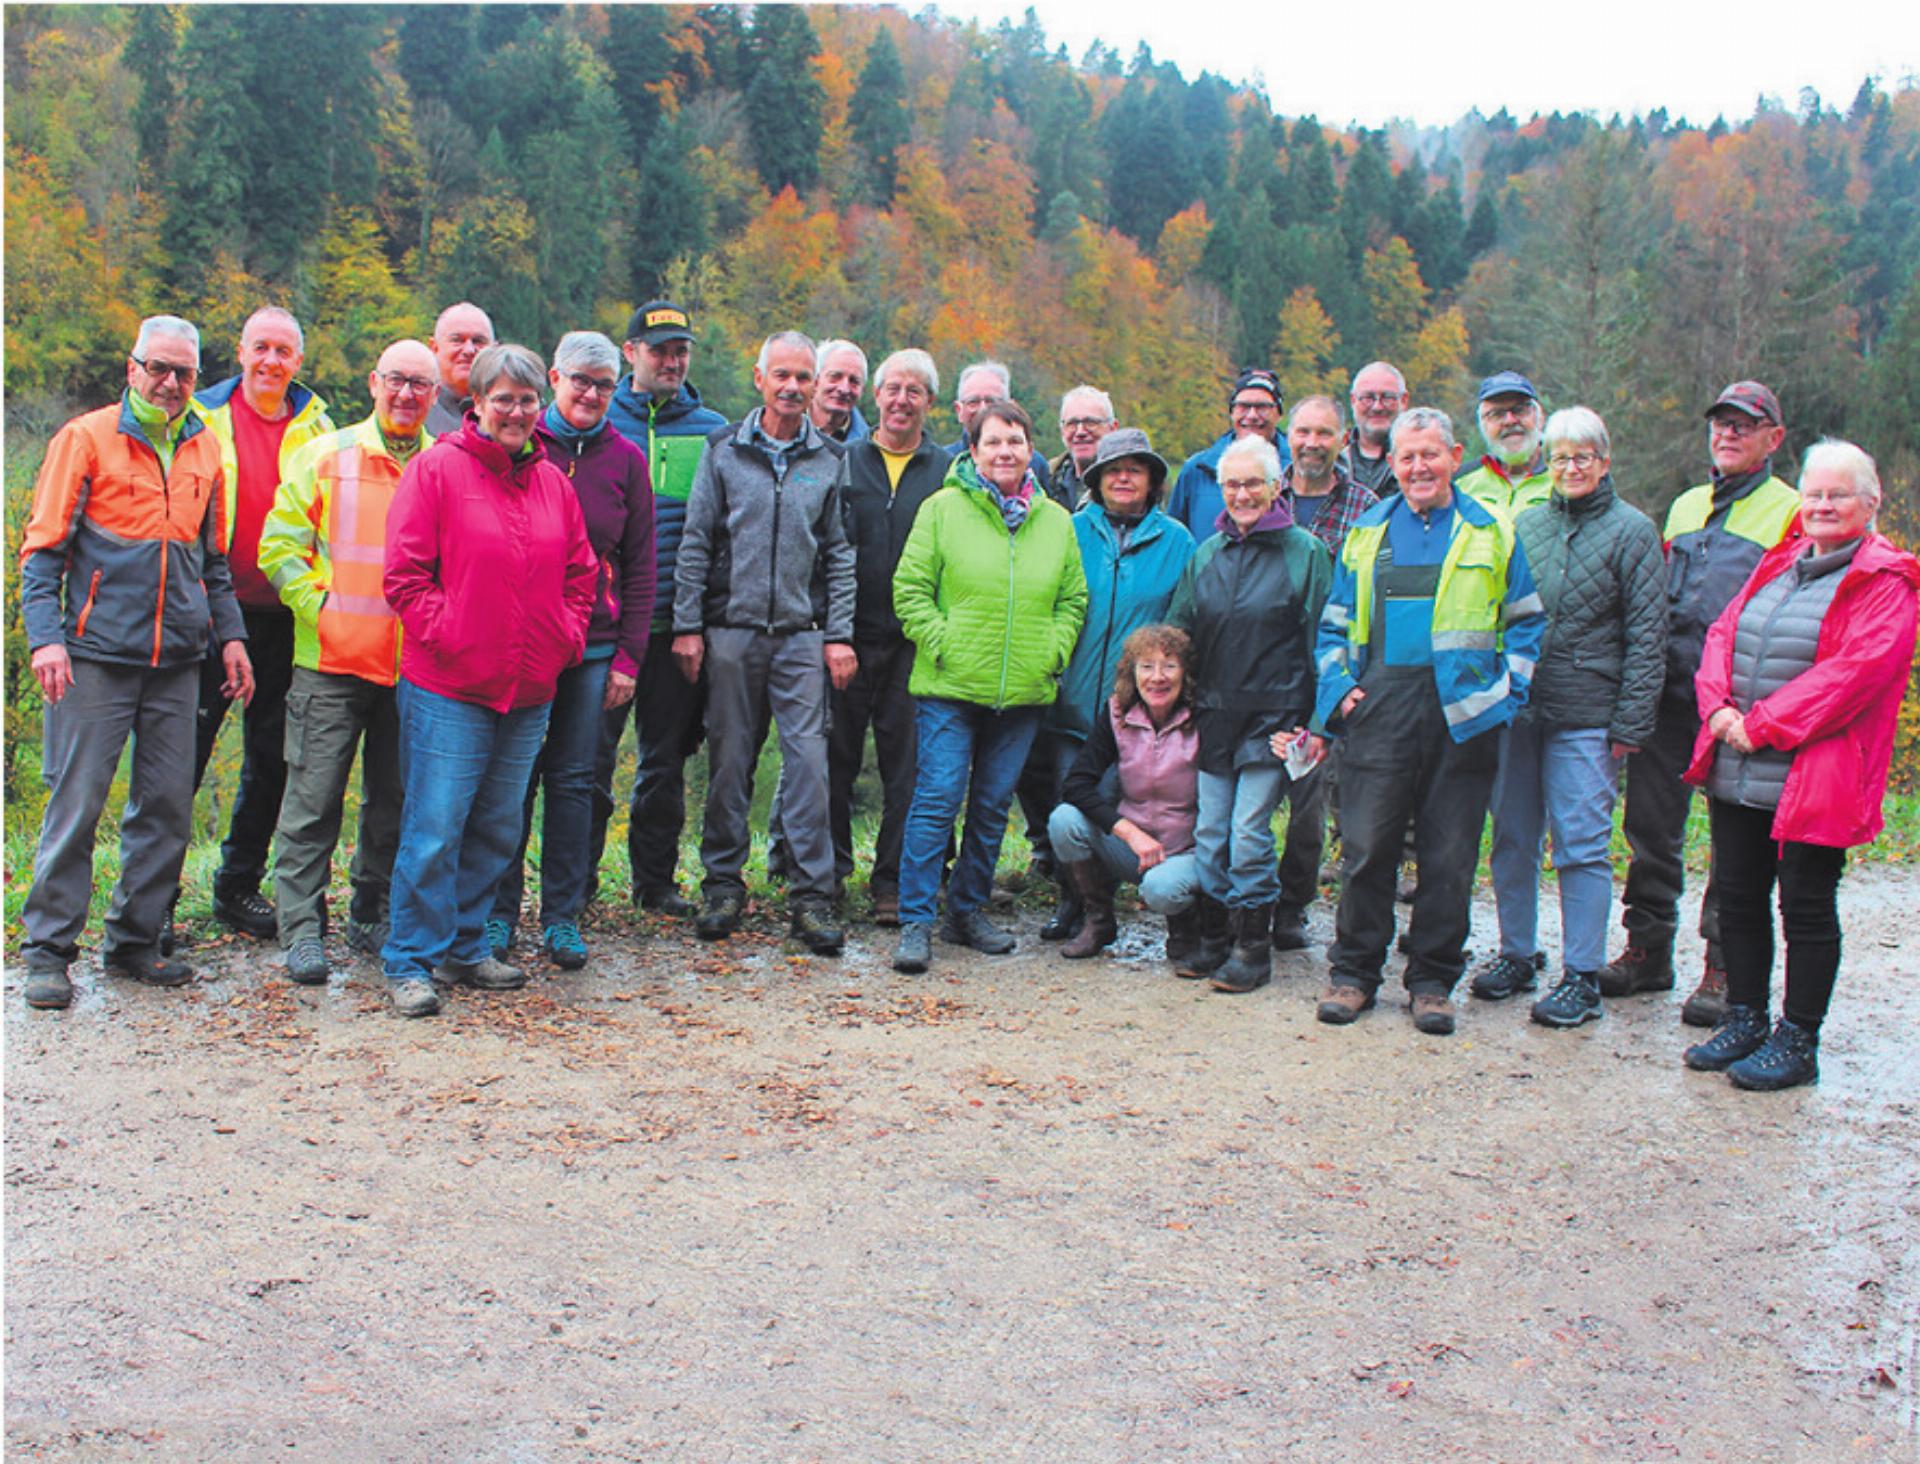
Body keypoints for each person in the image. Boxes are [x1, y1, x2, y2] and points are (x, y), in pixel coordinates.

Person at [18, 316, 254, 1010]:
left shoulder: (206, 448)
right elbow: (43, 552)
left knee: (165, 810)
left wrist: (231, 639)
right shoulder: (85, 438)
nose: (172, 382)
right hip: (94, 656)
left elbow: (213, 563)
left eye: (184, 372)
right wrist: (45, 639)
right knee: (77, 804)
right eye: (159, 368)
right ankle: (49, 952)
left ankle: (133, 942)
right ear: (133, 369)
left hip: (178, 661)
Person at [1680, 440, 1919, 1090]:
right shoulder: (1780, 565)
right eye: (1813, 493)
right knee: (1739, 898)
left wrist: (1759, 726)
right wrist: (1719, 711)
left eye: (1838, 494)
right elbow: (1722, 637)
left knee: (1806, 906)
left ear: (1870, 503)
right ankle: (1746, 1018)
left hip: (1815, 773)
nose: (1822, 505)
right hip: (1740, 764)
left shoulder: (1886, 582)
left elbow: (1855, 675)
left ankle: (1798, 1038)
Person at [1309, 407, 1545, 1036]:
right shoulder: (1365, 532)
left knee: (1449, 857)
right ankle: (1354, 974)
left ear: (1455, 456)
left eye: (1430, 455)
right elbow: (1332, 626)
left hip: (1462, 719)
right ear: (1392, 464)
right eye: (1407, 457)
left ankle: (1432, 981)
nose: (1418, 467)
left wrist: (1506, 697)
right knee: (1365, 851)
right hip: (1379, 710)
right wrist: (1339, 691)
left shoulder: (1492, 530)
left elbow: (1526, 623)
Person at [380, 344, 598, 1018]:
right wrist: (454, 637)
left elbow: (582, 576)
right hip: (449, 687)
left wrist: (564, 637)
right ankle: (410, 959)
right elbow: (405, 578)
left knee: (498, 830)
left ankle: (466, 945)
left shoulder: (554, 483)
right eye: (503, 398)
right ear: (474, 403)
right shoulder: (435, 470)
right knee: (435, 827)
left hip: (529, 690)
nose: (516, 411)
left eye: (527, 400)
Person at [1606, 381, 1802, 1026]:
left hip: (1740, 703)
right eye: (1721, 423)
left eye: (1745, 425)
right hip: (1670, 691)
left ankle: (1723, 965)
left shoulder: (1791, 510)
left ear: (1774, 438)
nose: (1729, 434)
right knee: (1650, 829)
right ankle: (1648, 949)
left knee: (1733, 840)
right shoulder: (1687, 504)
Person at [1472, 407, 1666, 1027]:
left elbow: (1648, 636)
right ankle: (1517, 952)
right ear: (1546, 464)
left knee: (1580, 845)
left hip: (1589, 712)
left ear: (1605, 462)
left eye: (1583, 456)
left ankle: (1581, 974)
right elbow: (1498, 613)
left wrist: (1632, 723)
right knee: (1512, 837)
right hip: (1521, 709)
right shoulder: (1525, 525)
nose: (1571, 467)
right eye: (1560, 457)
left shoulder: (1633, 532)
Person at [257, 339, 439, 985]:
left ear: (435, 395)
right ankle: (301, 931)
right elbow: (277, 547)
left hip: (413, 668)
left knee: (392, 802)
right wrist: (323, 608)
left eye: (420, 384)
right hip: (330, 663)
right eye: (396, 380)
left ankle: (372, 915)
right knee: (312, 803)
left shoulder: (443, 466)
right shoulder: (324, 455)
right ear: (373, 382)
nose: (406, 394)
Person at [671, 331, 855, 954]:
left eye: (804, 377)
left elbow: (840, 555)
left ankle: (811, 897)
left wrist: (839, 635)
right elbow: (696, 541)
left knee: (807, 767)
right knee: (729, 763)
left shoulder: (830, 458)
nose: (793, 388)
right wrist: (688, 625)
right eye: (782, 375)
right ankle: (722, 885)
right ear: (759, 378)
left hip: (802, 638)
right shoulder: (722, 449)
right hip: (731, 632)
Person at [891, 398, 1088, 973]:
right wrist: (945, 643)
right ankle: (915, 921)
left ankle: (966, 911)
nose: (1006, 451)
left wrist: (1051, 649)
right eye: (994, 441)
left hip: (1023, 693)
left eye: (1017, 440)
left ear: (1032, 449)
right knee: (937, 800)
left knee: (992, 807)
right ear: (973, 451)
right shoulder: (942, 509)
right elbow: (910, 591)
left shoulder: (1054, 520)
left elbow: (1072, 599)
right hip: (950, 687)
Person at [486, 333, 655, 969]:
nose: (589, 394)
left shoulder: (626, 460)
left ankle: (561, 914)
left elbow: (642, 567)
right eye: (580, 380)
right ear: (555, 378)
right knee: (512, 779)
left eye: (604, 385)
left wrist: (629, 659)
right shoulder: (525, 445)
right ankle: (498, 913)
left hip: (595, 648)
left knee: (575, 781)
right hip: (523, 641)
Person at [187, 307, 334, 942]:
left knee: (272, 759)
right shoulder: (202, 417)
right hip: (209, 612)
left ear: (299, 361)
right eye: (261, 349)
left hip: (286, 617)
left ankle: (238, 885)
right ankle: (154, 896)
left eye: (284, 352)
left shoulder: (319, 425)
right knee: (181, 758)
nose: (272, 362)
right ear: (240, 352)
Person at [1166, 434, 1331, 993]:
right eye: (1231, 484)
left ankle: (1253, 946)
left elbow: (1322, 639)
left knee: (1248, 829)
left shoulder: (1303, 552)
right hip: (1214, 712)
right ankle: (1216, 935)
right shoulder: (1206, 554)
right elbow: (1181, 629)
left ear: (1275, 485)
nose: (1241, 494)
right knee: (1211, 831)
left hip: (1276, 718)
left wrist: (1315, 723)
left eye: (1252, 483)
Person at [590, 300, 728, 914]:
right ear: (630, 354)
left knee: (664, 762)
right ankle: (576, 884)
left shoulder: (714, 431)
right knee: (586, 763)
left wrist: (698, 621)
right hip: (604, 626)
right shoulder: (595, 421)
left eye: (680, 351)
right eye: (658, 350)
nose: (671, 361)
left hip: (676, 624)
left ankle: (655, 883)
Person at [1040, 427, 1194, 947]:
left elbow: (1180, 627)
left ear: (1152, 479)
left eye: (1135, 468)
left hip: (1143, 711)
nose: (1123, 477)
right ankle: (1088, 912)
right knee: (1072, 811)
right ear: (1097, 479)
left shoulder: (1177, 541)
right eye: (1112, 469)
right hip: (1073, 705)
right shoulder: (1069, 530)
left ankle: (1180, 913)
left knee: (1154, 805)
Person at [831, 348, 951, 924]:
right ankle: (826, 876)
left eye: (915, 390)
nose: (902, 400)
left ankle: (894, 884)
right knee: (834, 760)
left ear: (930, 402)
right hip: (846, 638)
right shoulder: (843, 461)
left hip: (915, 644)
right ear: (876, 397)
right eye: (892, 388)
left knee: (909, 767)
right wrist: (833, 633)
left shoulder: (948, 469)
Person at [1269, 394, 1379, 950]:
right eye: (1303, 432)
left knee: (1310, 803)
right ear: (1288, 435)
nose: (1312, 443)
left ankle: (1293, 905)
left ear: (1343, 439)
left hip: (1331, 675)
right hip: (1267, 669)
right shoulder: (1268, 493)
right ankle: (1246, 899)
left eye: (1324, 433)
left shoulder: (1367, 506)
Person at [1050, 625, 1203, 966]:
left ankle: (1186, 926)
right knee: (1064, 820)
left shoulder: (1203, 719)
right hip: (1134, 847)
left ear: (1186, 673)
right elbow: (1076, 784)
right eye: (1146, 666)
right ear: (1132, 673)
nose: (1157, 678)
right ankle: (1099, 919)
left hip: (1188, 851)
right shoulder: (1118, 713)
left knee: (1160, 889)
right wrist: (1127, 831)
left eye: (1169, 666)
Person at [1165, 367, 1294, 538]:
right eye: (1243, 406)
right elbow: (1174, 538)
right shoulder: (1197, 469)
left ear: (1278, 413)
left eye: (1262, 407)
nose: (1252, 415)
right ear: (1231, 412)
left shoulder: (1296, 470)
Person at [942, 360, 1056, 500]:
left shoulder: (1034, 464)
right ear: (959, 410)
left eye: (992, 401)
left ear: (1011, 407)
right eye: (973, 402)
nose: (983, 409)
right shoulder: (942, 462)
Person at [1456, 371, 1551, 516]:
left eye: (1519, 410)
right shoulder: (1461, 482)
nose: (1510, 421)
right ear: (1483, 426)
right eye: (1497, 414)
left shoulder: (1567, 475)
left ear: (1540, 418)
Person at [424, 301, 494, 436]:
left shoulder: (512, 414)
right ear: (434, 348)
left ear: (494, 350)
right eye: (457, 340)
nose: (469, 350)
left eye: (478, 341)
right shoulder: (416, 411)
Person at [1343, 361, 1407, 497]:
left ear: (1404, 400)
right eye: (1368, 398)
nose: (1377, 407)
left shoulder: (1419, 465)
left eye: (1387, 398)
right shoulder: (1333, 464)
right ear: (1353, 401)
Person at [1050, 385, 1118, 506]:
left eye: (1090, 422)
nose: (1080, 431)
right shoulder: (1047, 482)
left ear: (1113, 428)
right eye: (1072, 423)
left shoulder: (1128, 486)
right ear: (1062, 430)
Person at [809, 338, 871, 443]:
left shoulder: (870, 449)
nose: (844, 389)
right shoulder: (782, 430)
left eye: (854, 381)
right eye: (835, 377)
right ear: (815, 380)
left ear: (862, 391)